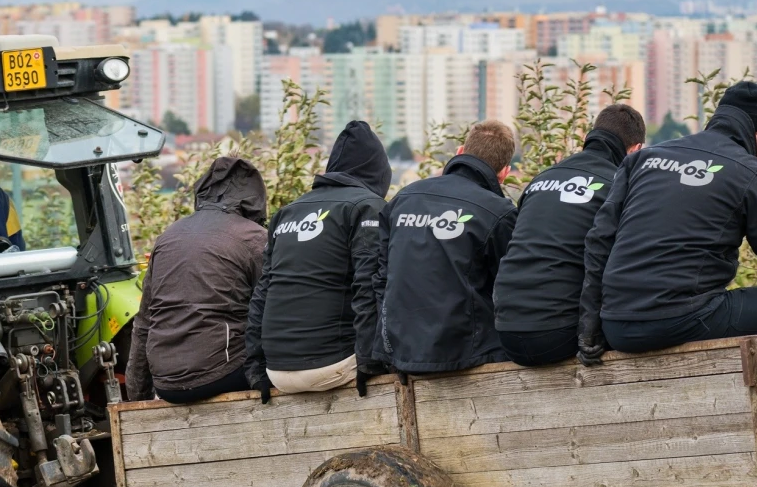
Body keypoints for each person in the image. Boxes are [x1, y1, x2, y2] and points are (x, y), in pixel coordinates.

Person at [578, 81, 757, 394]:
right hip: (678, 320)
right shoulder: (750, 171)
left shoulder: (643, 159)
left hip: (618, 325)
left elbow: (599, 241)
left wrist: (590, 324)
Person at [245, 120, 390, 400]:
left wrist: (255, 369)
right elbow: (370, 288)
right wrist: (370, 362)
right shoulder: (367, 207)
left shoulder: (287, 212)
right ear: (378, 173)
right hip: (332, 364)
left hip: (276, 371)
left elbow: (261, 295)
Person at [492, 104, 645, 366]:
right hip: (558, 334)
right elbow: (614, 266)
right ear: (636, 149)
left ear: (591, 135)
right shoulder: (620, 185)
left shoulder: (541, 180)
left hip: (506, 331)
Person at [376, 120, 517, 374]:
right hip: (466, 355)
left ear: (460, 152)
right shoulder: (499, 212)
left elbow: (380, 276)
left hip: (400, 353)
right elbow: (509, 288)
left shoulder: (404, 198)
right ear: (505, 172)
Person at [125, 157, 268, 404]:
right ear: (254, 198)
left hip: (165, 382)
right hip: (221, 374)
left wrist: (138, 402)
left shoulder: (167, 237)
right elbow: (275, 312)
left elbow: (144, 323)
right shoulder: (254, 238)